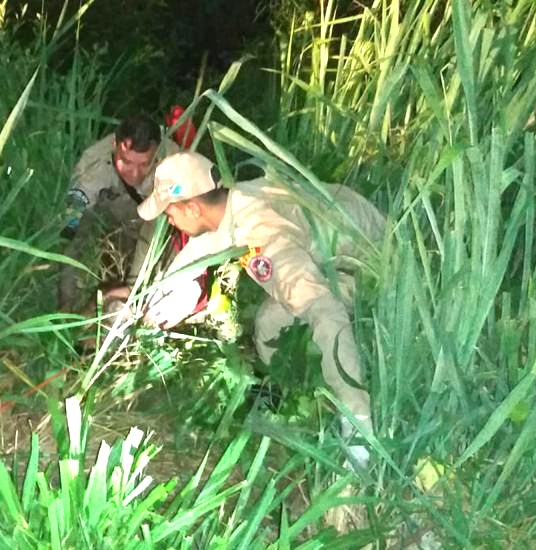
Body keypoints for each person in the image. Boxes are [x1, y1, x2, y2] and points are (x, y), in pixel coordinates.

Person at [138, 151, 384, 465]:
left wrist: (356, 415)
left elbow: (324, 310)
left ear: (192, 207)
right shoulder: (235, 202)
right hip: (340, 237)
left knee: (309, 310)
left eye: (169, 213)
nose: (168, 220)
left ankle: (358, 422)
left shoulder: (260, 235)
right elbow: (204, 247)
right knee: (269, 321)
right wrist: (161, 295)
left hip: (373, 262)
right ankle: (287, 394)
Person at [58, 116, 179, 312]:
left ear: (157, 152)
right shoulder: (94, 162)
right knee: (76, 232)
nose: (134, 173)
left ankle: (132, 293)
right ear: (115, 144)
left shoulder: (175, 161)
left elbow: (182, 200)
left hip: (154, 221)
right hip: (113, 219)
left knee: (156, 225)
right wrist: (66, 302)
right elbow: (73, 219)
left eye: (143, 164)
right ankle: (66, 309)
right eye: (126, 162)